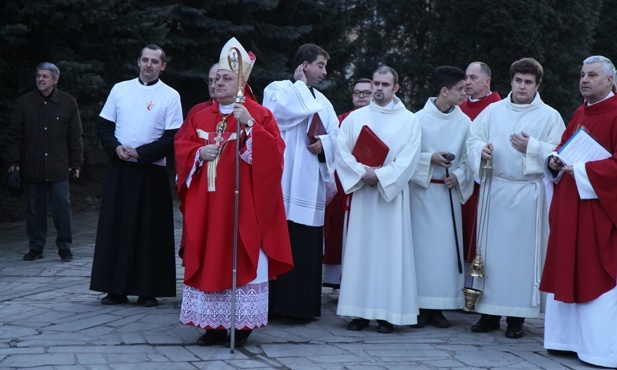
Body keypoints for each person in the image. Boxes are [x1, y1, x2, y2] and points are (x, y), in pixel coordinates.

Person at [175, 37, 293, 347]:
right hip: (209, 204)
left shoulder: (258, 113)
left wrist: (251, 125)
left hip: (243, 204)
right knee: (209, 254)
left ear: (241, 81)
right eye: (214, 79)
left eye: (225, 78)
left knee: (241, 253)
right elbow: (182, 147)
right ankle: (212, 325)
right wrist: (198, 154)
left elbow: (275, 155)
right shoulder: (199, 115)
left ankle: (241, 325)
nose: (217, 83)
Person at [466, 57, 565, 338]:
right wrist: (480, 152)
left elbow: (558, 152)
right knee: (492, 257)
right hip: (495, 190)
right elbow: (472, 139)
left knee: (521, 260)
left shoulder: (550, 116)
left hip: (528, 194)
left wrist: (532, 147)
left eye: (528, 82)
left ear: (537, 85)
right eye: (518, 81)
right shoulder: (492, 112)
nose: (522, 86)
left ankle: (516, 318)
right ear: (511, 81)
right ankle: (488, 314)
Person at [90, 44, 182, 307]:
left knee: (148, 231)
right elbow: (104, 125)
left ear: (163, 66)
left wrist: (140, 153)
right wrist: (116, 148)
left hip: (150, 171)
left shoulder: (170, 95)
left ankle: (147, 290)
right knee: (116, 227)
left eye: (155, 61)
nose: (149, 65)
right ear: (138, 62)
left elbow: (172, 137)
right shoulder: (120, 89)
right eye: (145, 60)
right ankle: (114, 288)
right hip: (120, 168)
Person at [541, 55, 617, 368]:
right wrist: (553, 162)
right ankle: (564, 340)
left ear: (610, 80)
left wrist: (583, 170)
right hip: (571, 205)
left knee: (594, 270)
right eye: (582, 74)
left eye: (593, 75)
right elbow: (563, 148)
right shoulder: (578, 112)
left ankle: (598, 350)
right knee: (566, 267)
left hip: (598, 212)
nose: (584, 80)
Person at [336, 66, 422, 333]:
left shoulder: (410, 120)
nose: (379, 89)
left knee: (390, 254)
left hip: (390, 199)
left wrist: (382, 176)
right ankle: (358, 313)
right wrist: (364, 173)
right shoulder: (355, 118)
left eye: (385, 84)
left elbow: (410, 159)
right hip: (363, 194)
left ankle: (387, 314)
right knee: (360, 253)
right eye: (376, 83)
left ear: (396, 88)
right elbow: (342, 151)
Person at [263, 43, 339, 321]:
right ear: (304, 66)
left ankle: (300, 308)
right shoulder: (278, 89)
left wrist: (326, 144)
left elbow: (336, 135)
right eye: (320, 65)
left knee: (304, 245)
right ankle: (271, 305)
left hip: (308, 182)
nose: (324, 71)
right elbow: (278, 114)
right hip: (282, 180)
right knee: (278, 239)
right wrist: (299, 85)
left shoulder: (324, 100)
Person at [410, 66, 474, 328]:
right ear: (444, 90)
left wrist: (458, 175)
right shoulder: (416, 119)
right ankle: (419, 306)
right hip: (422, 193)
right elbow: (406, 155)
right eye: (460, 89)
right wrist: (429, 160)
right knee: (420, 253)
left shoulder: (465, 123)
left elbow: (472, 158)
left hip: (447, 193)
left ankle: (439, 307)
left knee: (445, 254)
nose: (464, 94)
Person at [6, 62, 83, 262]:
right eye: (38, 75)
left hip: (59, 166)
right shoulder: (24, 103)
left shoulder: (68, 102)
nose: (40, 79)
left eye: (45, 76)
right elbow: (15, 136)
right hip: (33, 165)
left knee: (61, 208)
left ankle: (64, 247)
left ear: (55, 80)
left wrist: (76, 162)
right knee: (34, 209)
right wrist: (13, 162)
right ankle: (36, 247)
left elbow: (75, 136)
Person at [323, 77, 372, 288]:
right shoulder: (340, 120)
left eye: (366, 93)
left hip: (372, 183)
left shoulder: (381, 120)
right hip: (344, 185)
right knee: (339, 232)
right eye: (357, 92)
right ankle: (336, 279)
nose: (361, 96)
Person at [459, 62, 501, 269]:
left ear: (487, 81)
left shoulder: (499, 109)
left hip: (486, 185)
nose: (467, 82)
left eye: (473, 78)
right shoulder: (458, 107)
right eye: (466, 77)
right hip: (458, 182)